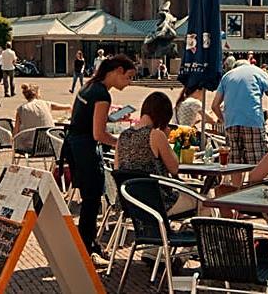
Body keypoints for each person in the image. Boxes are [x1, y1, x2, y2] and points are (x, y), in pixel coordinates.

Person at [65, 54, 135, 266]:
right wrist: (122, 143)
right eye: (129, 77)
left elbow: (86, 118)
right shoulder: (102, 94)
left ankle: (89, 243)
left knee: (90, 198)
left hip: (74, 145)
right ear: (117, 71)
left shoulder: (89, 86)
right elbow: (98, 134)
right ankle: (86, 249)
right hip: (86, 148)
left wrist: (110, 119)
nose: (130, 82)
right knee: (92, 199)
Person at [116, 91, 199, 216]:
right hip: (157, 204)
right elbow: (174, 168)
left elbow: (117, 168)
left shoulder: (123, 136)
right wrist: (165, 138)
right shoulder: (155, 135)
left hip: (128, 201)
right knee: (203, 199)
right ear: (163, 116)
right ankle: (199, 234)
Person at [211, 60, 268, 187]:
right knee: (257, 163)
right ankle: (255, 195)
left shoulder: (227, 76)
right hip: (253, 121)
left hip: (231, 124)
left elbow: (215, 105)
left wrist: (224, 120)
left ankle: (237, 194)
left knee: (235, 164)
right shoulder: (259, 72)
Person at [12, 83, 71, 152]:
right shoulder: (45, 103)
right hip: (50, 144)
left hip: (31, 147)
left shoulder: (21, 109)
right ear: (36, 94)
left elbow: (16, 132)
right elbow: (68, 107)